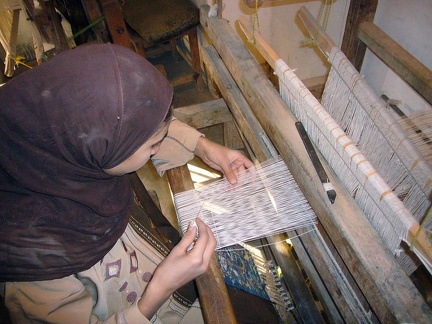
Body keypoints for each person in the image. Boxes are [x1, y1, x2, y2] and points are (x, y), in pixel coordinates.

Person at [0, 43, 253, 323]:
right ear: (100, 148)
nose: (157, 149)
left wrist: (203, 146)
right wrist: (157, 292)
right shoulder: (31, 260)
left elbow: (134, 124)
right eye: (153, 146)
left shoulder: (56, 142)